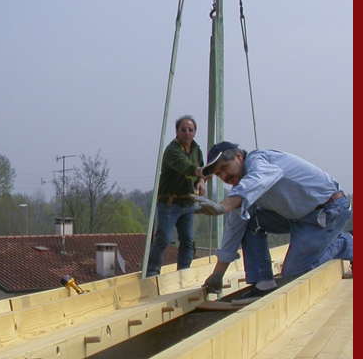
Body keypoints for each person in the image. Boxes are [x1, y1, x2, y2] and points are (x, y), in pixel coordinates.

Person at [192, 141, 353, 306]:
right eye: (219, 174)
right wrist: (218, 274)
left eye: (225, 167)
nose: (225, 176)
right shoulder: (244, 188)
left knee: (295, 274)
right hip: (299, 217)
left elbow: (258, 179)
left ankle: (346, 243)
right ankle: (263, 284)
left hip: (328, 210)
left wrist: (222, 206)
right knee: (248, 220)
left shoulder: (259, 161)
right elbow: (234, 228)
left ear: (239, 157)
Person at [146, 115, 207, 277]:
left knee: (188, 240)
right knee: (163, 238)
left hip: (187, 203)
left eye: (190, 130)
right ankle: (152, 273)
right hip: (170, 203)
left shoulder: (196, 149)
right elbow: (184, 166)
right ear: (177, 131)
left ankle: (184, 272)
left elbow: (200, 168)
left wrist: (202, 181)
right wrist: (202, 172)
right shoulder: (172, 150)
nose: (187, 133)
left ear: (195, 133)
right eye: (183, 130)